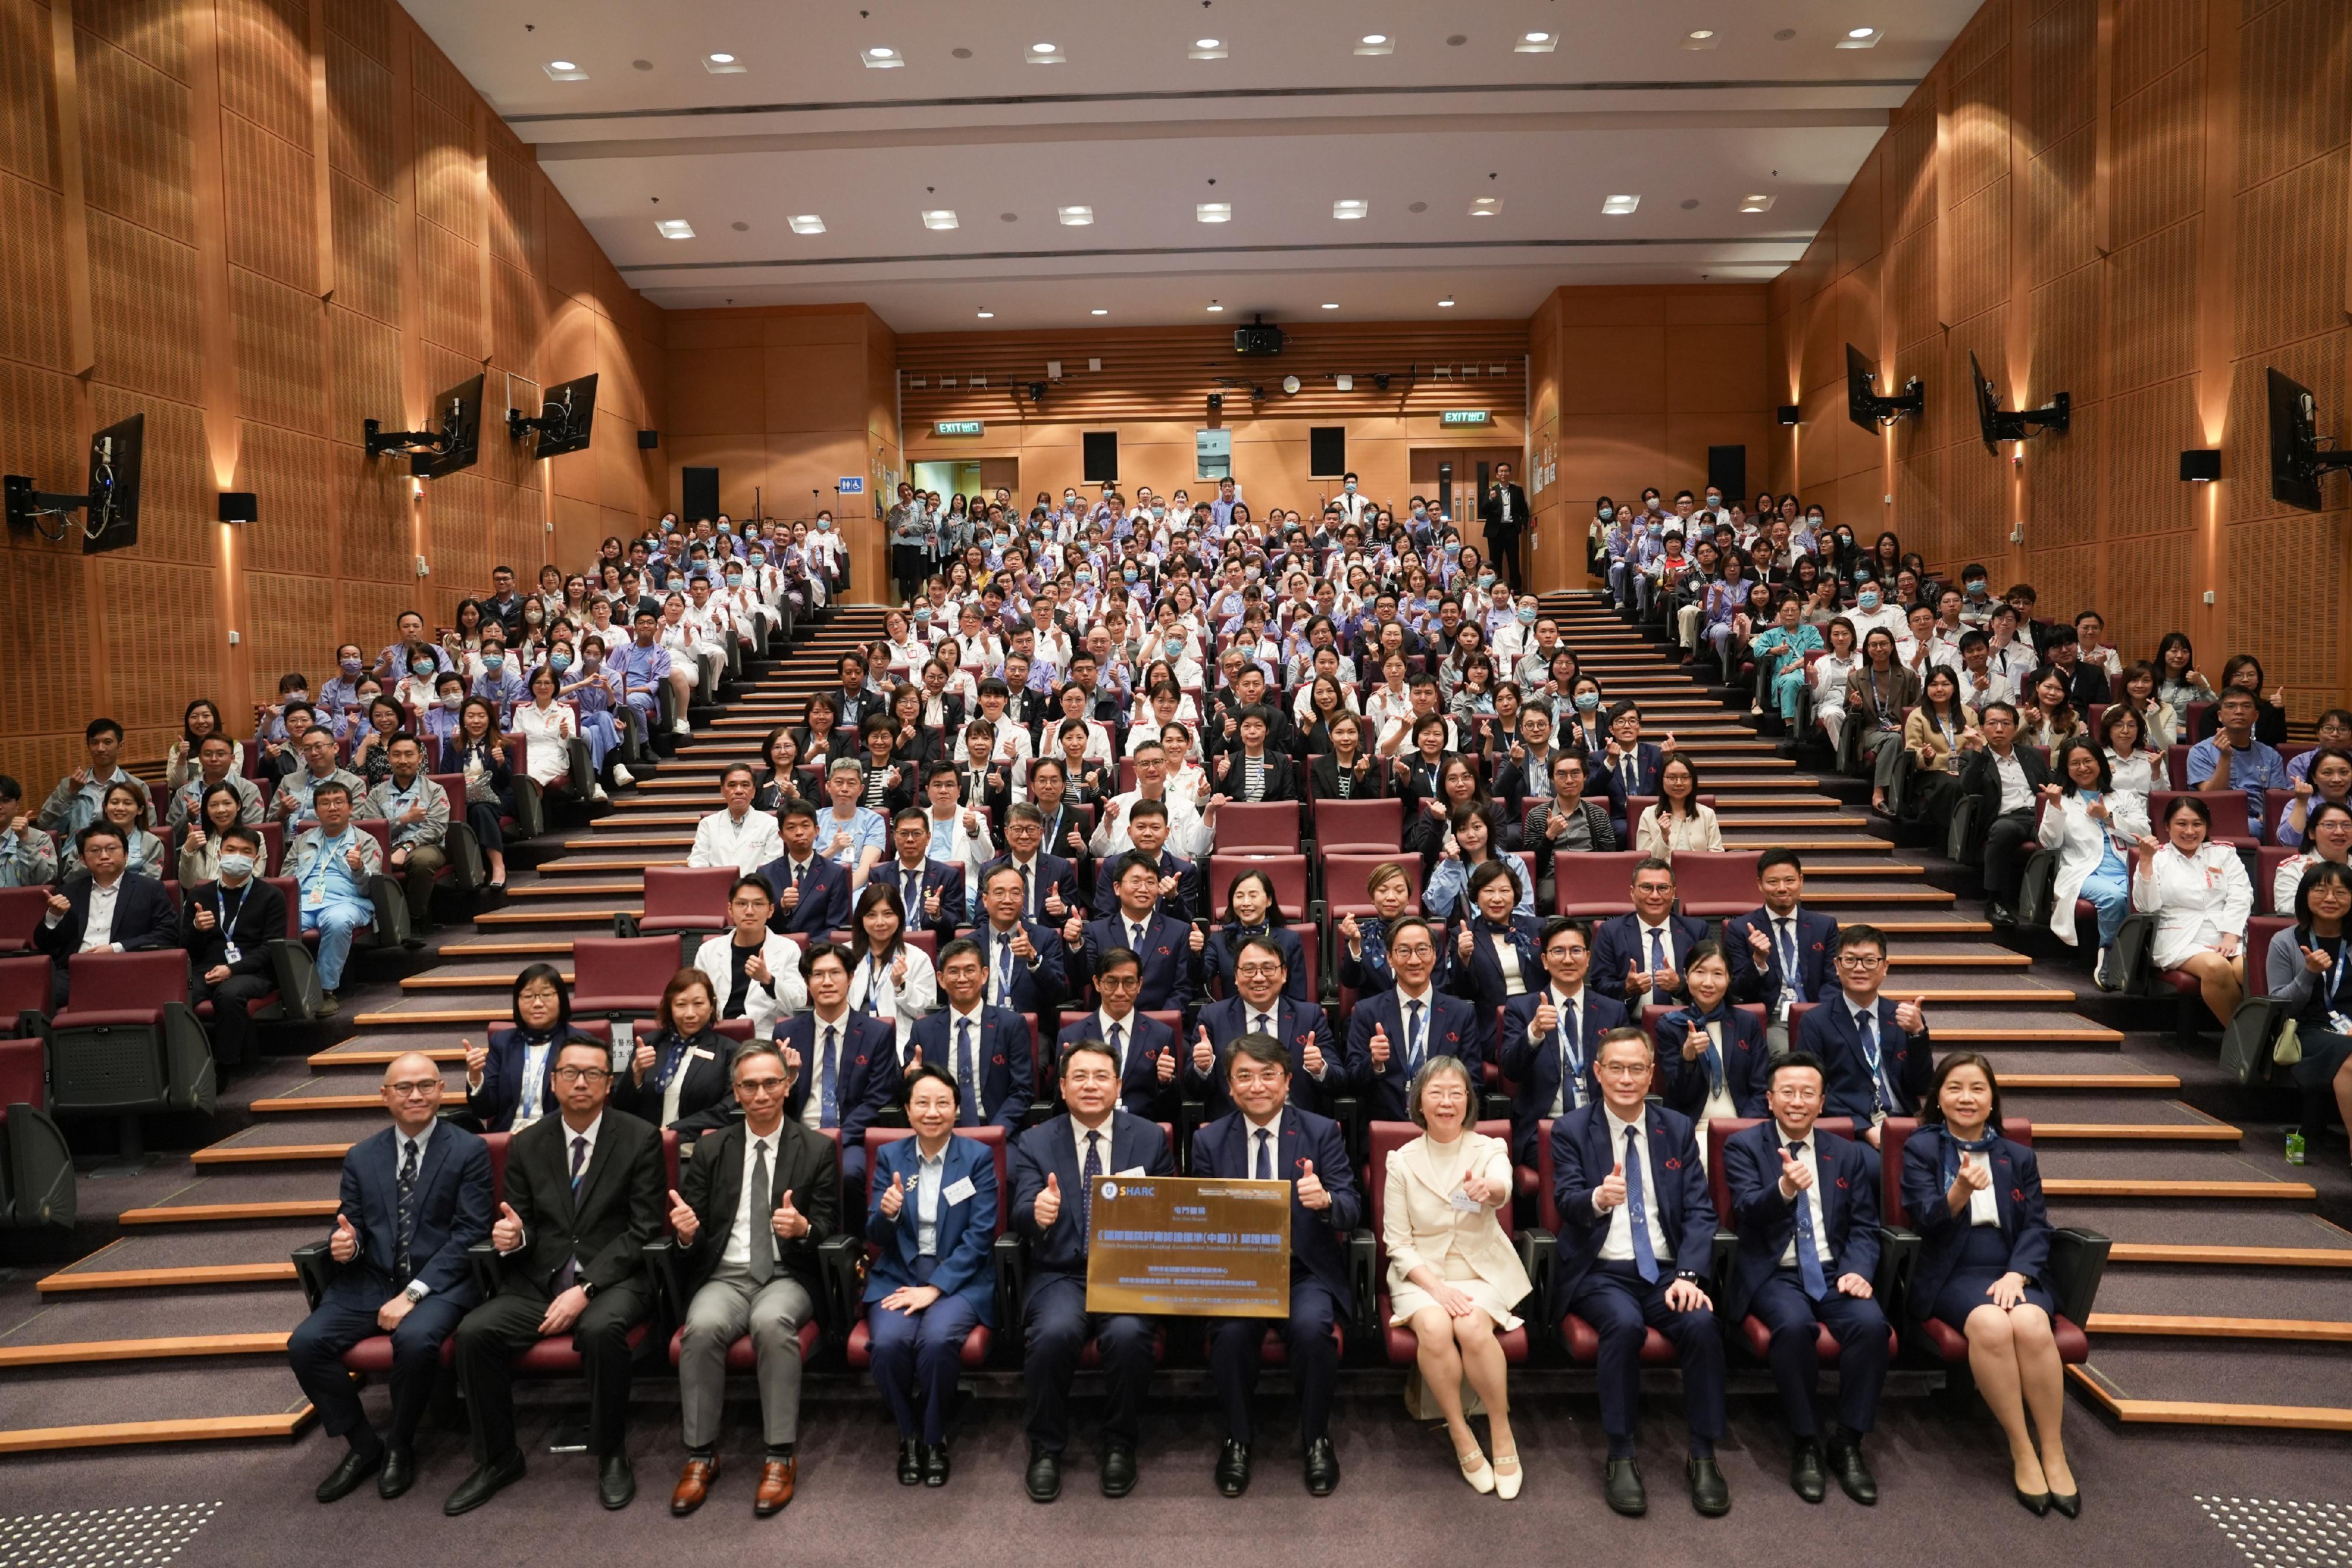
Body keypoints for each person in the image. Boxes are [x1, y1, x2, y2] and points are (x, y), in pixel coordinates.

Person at [445, 1035, 666, 1515]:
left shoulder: (639, 1136)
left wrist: (586, 1289)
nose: (581, 1082)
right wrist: (513, 1237)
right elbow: (519, 1218)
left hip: (614, 1279)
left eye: (593, 1074)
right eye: (570, 1073)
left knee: (601, 1328)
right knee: (474, 1331)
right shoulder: (527, 1142)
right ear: (553, 1080)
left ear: (609, 1084)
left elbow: (643, 1230)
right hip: (540, 1280)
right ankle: (498, 1457)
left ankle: (611, 1452)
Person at [289, 1052, 493, 1504]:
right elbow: (353, 1224)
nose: (415, 1094)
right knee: (305, 1344)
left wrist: (414, 1293)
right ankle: (364, 1446)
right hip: (371, 1280)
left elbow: (470, 1235)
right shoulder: (362, 1156)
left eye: (425, 1085)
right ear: (385, 1095)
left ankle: (400, 1443)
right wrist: (347, 1245)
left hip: (440, 1281)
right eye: (404, 1087)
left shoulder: (469, 1150)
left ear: (442, 1089)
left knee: (416, 1340)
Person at [1549, 1026, 1730, 1517]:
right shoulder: (1571, 1128)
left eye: (1636, 1069)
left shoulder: (1674, 1126)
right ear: (1598, 1072)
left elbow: (1700, 1211)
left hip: (1665, 1271)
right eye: (1616, 1068)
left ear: (1652, 1073)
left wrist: (1690, 1276)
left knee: (1700, 1324)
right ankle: (1621, 1451)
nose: (1626, 1078)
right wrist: (1595, 1199)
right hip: (1600, 1268)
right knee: (1624, 1326)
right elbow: (1565, 1199)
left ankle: (1704, 1452)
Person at [664, 1040, 838, 1518]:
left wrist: (804, 1229)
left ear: (787, 1085)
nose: (761, 1093)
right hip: (727, 1274)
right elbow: (693, 1227)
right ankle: (701, 1454)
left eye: (770, 1082)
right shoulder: (714, 1146)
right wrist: (685, 1235)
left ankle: (779, 1454)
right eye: (749, 1085)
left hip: (787, 1272)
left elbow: (829, 1226)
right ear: (736, 1092)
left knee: (771, 1320)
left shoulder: (818, 1148)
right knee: (700, 1327)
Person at [1900, 1052, 2078, 1516]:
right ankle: (2022, 1448)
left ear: (1992, 1097)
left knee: (2032, 1323)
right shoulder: (1921, 1148)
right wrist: (1958, 1190)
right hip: (1952, 1271)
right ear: (1938, 1097)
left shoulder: (2017, 1154)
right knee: (1992, 1327)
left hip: (2012, 1269)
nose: (1966, 1097)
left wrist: (2018, 1273)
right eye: (1955, 1087)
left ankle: (2054, 1450)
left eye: (1977, 1088)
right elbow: (1924, 1220)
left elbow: (2038, 1226)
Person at [1010, 1039, 1177, 1502]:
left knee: (1127, 1337)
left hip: (1129, 1270)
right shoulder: (1037, 1140)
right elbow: (1021, 1209)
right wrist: (1037, 1211)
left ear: (1119, 1085)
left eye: (1101, 1075)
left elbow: (1170, 1211)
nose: (1090, 1085)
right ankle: (1046, 1446)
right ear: (1062, 1087)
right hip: (1060, 1270)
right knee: (1053, 1334)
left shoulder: (1148, 1137)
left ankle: (1120, 1441)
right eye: (1079, 1076)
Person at [1192, 1032, 1357, 1497]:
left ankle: (1316, 1437)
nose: (1257, 1086)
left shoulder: (1321, 1131)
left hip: (1302, 1267)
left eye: (1268, 1075)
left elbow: (1351, 1204)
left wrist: (1325, 1201)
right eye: (1245, 1076)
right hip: (1237, 1270)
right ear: (1229, 1086)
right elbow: (1196, 1213)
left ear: (1287, 1081)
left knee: (1311, 1329)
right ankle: (1238, 1438)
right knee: (1230, 1333)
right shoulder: (1209, 1141)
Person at [1720, 1052, 1888, 1503]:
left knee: (1873, 1327)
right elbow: (1747, 1211)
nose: (1797, 1101)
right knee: (1794, 1327)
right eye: (1788, 1093)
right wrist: (1785, 1189)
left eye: (1807, 1093)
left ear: (1822, 1102)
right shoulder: (1742, 1146)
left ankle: (1848, 1440)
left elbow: (1865, 1227)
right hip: (1775, 1272)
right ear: (1770, 1099)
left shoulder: (1848, 1153)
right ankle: (1806, 1440)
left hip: (1836, 1270)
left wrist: (1858, 1269)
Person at [1381, 1053, 1531, 1497]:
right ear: (1419, 1103)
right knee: (1433, 1322)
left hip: (1479, 1270)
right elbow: (1398, 1243)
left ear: (1468, 1100)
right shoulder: (1401, 1160)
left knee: (1469, 1324)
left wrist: (1490, 1190)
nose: (1447, 1102)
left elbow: (1501, 1185)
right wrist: (1437, 1288)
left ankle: (1501, 1429)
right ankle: (1460, 1431)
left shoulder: (1489, 1148)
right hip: (1422, 1274)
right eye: (1436, 1093)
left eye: (1456, 1092)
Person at [865, 1062, 999, 1486]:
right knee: (887, 1344)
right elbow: (875, 1232)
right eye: (922, 1102)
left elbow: (980, 1236)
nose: (932, 1111)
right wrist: (886, 1213)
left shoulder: (977, 1157)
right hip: (898, 1272)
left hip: (959, 1274)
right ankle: (909, 1434)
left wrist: (935, 1288)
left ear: (957, 1110)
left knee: (938, 1340)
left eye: (943, 1102)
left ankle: (935, 1434)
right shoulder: (891, 1156)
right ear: (907, 1110)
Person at [1499, 917, 1629, 1164]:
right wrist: (1534, 1032)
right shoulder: (1522, 1008)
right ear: (1545, 961)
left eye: (1576, 951)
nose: (1568, 960)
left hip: (1601, 1126)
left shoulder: (1613, 1011)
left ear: (1588, 958)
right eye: (1558, 951)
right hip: (1544, 1129)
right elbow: (1511, 1071)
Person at [1795, 924, 1932, 1145]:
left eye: (1869, 960)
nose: (1859, 968)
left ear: (1885, 967)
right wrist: (1864, 1129)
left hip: (1905, 1123)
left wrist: (1917, 1035)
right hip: (1850, 1129)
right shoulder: (1815, 1021)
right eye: (1850, 960)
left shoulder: (1904, 1017)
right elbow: (1815, 1089)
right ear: (1837, 966)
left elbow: (1921, 1086)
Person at [1191, 934, 1351, 1120]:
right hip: (1234, 1129)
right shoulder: (1212, 1017)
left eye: (1268, 969)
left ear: (1284, 974)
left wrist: (1320, 1069)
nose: (1259, 978)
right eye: (1249, 970)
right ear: (1236, 976)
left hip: (1297, 1127)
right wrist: (1202, 1068)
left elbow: (1340, 1082)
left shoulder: (1310, 1017)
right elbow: (1193, 1089)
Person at [2132, 794, 2253, 1023]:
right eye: (2182, 824)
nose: (2190, 831)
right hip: (2178, 937)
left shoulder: (2224, 853)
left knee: (2247, 968)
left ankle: (2266, 1035)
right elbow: (2146, 907)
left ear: (2207, 826)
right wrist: (2146, 861)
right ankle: (2246, 1040)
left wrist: (2230, 936)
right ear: (2167, 826)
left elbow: (2241, 895)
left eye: (2197, 824)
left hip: (2227, 934)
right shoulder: (2158, 858)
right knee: (2215, 966)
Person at [2036, 739, 2148, 988]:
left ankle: (2141, 959)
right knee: (2116, 897)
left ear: (2100, 763)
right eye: (2075, 763)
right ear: (2066, 768)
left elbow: (2143, 832)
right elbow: (2050, 843)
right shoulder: (2061, 799)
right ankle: (2109, 955)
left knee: (2154, 895)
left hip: (2126, 867)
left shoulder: (2124, 797)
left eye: (2088, 761)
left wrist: (2108, 817)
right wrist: (2054, 807)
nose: (2083, 768)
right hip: (2085, 871)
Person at [1348, 917, 1480, 1122]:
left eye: (1422, 950)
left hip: (1445, 1126)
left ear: (1435, 955)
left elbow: (1473, 1082)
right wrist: (1374, 1063)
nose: (1414, 960)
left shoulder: (1461, 1013)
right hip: (1389, 1129)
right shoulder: (1367, 1012)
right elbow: (1353, 1083)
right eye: (1403, 951)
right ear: (1390, 958)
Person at [182, 824, 285, 1077]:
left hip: (253, 971)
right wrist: (196, 928)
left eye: (245, 851)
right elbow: (184, 948)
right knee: (177, 994)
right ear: (219, 854)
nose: (237, 856)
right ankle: (184, 1063)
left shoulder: (272, 896)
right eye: (231, 849)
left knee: (229, 994)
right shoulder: (199, 895)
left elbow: (271, 948)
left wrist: (232, 969)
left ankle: (224, 1067)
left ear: (256, 858)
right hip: (206, 968)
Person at [34, 823, 176, 1005]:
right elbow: (44, 943)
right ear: (83, 859)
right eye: (94, 851)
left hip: (127, 969)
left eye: (111, 849)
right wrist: (54, 915)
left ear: (126, 855)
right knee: (35, 996)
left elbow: (168, 934)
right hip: (75, 972)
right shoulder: (70, 891)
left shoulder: (150, 889)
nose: (104, 856)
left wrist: (116, 949)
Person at [904, 938, 1034, 1129]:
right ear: (941, 979)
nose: (962, 978)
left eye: (970, 970)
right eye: (954, 972)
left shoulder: (1011, 1025)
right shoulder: (924, 1030)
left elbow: (1022, 1091)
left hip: (995, 1127)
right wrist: (907, 1076)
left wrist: (995, 1133)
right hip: (939, 1130)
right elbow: (907, 1090)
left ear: (984, 975)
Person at [2268, 862, 2352, 1152]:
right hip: (2306, 1028)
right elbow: (2280, 1005)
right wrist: (2308, 973)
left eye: (2341, 892)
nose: (2331, 899)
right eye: (2321, 891)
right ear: (2305, 895)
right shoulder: (2285, 941)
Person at [1724, 849, 1838, 1052]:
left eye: (1789, 881)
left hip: (1817, 1012)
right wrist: (1758, 961)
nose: (1782, 888)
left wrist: (1822, 1015)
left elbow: (1833, 980)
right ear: (1760, 884)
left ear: (1801, 881)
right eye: (1773, 882)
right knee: (1785, 1055)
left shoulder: (1824, 926)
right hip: (1772, 1019)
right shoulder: (1741, 929)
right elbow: (1737, 991)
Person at [1655, 942, 1770, 1140]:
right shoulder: (1670, 1026)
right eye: (1700, 972)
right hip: (1693, 1127)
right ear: (1686, 975)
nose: (1708, 983)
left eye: (1718, 974)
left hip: (1743, 1124)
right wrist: (1688, 1059)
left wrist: (1747, 1130)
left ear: (1729, 978)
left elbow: (1760, 1089)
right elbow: (1678, 1097)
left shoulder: (1747, 1023)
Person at [1054, 941, 1181, 1119]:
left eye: (1129, 982)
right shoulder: (1071, 1037)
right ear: (1097, 984)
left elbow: (1173, 1112)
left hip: (1141, 1135)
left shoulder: (1162, 1035)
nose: (1120, 992)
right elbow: (1059, 1111)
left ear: (1139, 984)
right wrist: (1068, 1081)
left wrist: (1166, 1083)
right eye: (1112, 982)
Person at [612, 969, 741, 1138]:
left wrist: (673, 1130)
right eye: (681, 1005)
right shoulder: (649, 1045)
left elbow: (729, 1108)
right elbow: (620, 1108)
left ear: (712, 1006)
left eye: (698, 1004)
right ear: (670, 1008)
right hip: (646, 1147)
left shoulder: (730, 1051)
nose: (690, 1014)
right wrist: (636, 1073)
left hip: (699, 1147)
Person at [287, 780, 378, 1016]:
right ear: (316, 811)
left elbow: (373, 889)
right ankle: (291, 989)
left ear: (350, 807)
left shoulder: (365, 840)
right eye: (325, 803)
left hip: (348, 902)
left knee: (338, 921)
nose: (332, 808)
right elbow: (285, 877)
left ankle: (325, 991)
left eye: (339, 802)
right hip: (304, 903)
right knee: (280, 924)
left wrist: (359, 868)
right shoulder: (302, 840)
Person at [1957, 703, 2052, 925]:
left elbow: (2048, 783)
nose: (1999, 728)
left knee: (2061, 832)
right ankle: (1995, 901)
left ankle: (2052, 898)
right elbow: (1968, 789)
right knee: (2003, 830)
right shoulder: (1972, 757)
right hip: (2005, 818)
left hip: (2038, 814)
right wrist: (1979, 750)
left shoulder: (2031, 755)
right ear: (1982, 728)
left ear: (2016, 727)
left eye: (2006, 723)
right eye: (1992, 723)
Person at [1069, 851, 1197, 1014]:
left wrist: (1159, 1023)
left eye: (1151, 882)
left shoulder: (1179, 931)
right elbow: (1082, 978)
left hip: (1160, 1026)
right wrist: (1075, 943)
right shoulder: (1096, 931)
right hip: (1107, 1029)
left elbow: (1183, 989)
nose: (1143, 889)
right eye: (1135, 882)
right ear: (1117, 888)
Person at [460, 964, 576, 1133]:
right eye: (528, 996)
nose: (537, 1003)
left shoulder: (578, 1043)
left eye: (546, 995)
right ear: (517, 1002)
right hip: (509, 1137)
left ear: (562, 1000)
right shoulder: (502, 1042)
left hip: (558, 1137)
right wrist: (476, 1077)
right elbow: (485, 1110)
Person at [691, 875, 807, 1035]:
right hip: (716, 1035)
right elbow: (696, 1000)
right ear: (730, 909)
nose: (750, 911)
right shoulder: (708, 950)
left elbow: (798, 1004)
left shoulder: (789, 949)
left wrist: (768, 980)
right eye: (742, 904)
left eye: (758, 904)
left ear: (771, 910)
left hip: (764, 1037)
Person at [1591, 857, 1708, 1011]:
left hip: (1686, 1023)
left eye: (1663, 888)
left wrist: (1680, 984)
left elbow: (1711, 981)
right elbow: (1599, 986)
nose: (1655, 896)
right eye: (1646, 887)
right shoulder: (1611, 932)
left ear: (1673, 893)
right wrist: (1627, 988)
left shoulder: (1697, 930)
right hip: (1630, 1027)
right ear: (1632, 892)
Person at [369, 735, 450, 932]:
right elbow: (372, 830)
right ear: (389, 758)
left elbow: (436, 828)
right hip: (386, 847)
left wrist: (407, 847)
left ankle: (414, 920)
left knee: (422, 861)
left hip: (425, 846)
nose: (403, 760)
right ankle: (379, 924)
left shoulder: (434, 790)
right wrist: (404, 820)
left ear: (420, 758)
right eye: (396, 755)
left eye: (409, 755)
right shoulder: (376, 793)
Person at [2187, 687, 2288, 840]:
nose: (2239, 711)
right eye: (2231, 706)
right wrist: (2225, 757)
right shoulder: (2201, 751)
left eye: (2246, 706)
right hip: (2216, 818)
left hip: (2260, 820)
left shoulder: (2271, 755)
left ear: (2256, 716)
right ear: (2220, 716)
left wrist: (2267, 816)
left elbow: (2275, 800)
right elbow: (2212, 799)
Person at [756, 800, 852, 936]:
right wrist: (781, 906)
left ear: (816, 831)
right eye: (791, 827)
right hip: (776, 950)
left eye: (805, 826)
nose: (799, 832)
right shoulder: (765, 874)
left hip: (818, 951)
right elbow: (758, 920)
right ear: (781, 835)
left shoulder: (836, 873)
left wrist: (813, 951)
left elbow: (836, 926)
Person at [38, 717, 138, 840]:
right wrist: (70, 794)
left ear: (120, 746)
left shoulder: (135, 786)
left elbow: (147, 829)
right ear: (88, 746)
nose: (100, 749)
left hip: (123, 853)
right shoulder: (70, 785)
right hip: (78, 854)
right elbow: (46, 827)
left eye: (108, 742)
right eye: (95, 743)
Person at [689, 765, 786, 872]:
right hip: (716, 886)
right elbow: (698, 862)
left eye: (745, 785)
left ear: (754, 792)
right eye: (732, 785)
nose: (739, 791)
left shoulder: (771, 823)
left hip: (756, 886)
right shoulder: (708, 824)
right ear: (723, 791)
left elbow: (773, 863)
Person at [59, 781, 163, 881]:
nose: (120, 808)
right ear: (105, 807)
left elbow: (150, 885)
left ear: (140, 810)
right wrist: (90, 859)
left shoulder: (151, 843)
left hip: (134, 897)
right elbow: (69, 879)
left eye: (127, 803)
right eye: (114, 803)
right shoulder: (88, 839)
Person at [167, 733, 264, 830]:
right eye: (208, 754)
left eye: (221, 754)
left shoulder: (248, 790)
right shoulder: (184, 792)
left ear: (232, 758)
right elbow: (172, 836)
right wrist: (189, 817)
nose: (213, 759)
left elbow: (253, 832)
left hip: (235, 844)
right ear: (200, 759)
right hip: (194, 844)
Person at [1634, 754, 1723, 859]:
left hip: (1700, 873)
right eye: (1672, 778)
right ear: (1662, 780)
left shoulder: (1707, 814)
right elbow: (1643, 862)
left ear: (1693, 780)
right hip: (1661, 874)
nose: (1679, 783)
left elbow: (1717, 857)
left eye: (1685, 777)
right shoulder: (1649, 814)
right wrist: (1663, 837)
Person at [2276, 801, 2352, 913]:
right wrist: (2308, 884)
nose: (2340, 832)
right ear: (2312, 833)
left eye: (2347, 825)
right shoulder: (2292, 868)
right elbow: (2287, 910)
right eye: (2330, 825)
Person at [0, 775, 59, 889]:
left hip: (25, 903)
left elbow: (44, 881)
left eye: (5, 800)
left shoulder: (39, 838)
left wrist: (25, 841)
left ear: (17, 805)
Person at [1479, 461, 1529, 592]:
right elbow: (1483, 511)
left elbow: (1524, 510)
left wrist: (1523, 524)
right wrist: (1490, 499)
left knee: (1513, 560)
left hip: (1512, 529)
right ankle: (1496, 588)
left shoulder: (1517, 490)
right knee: (1495, 562)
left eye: (1506, 471)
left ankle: (1516, 589)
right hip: (1495, 530)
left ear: (1510, 473)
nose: (1503, 474)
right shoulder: (1491, 490)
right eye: (1501, 471)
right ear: (1497, 475)